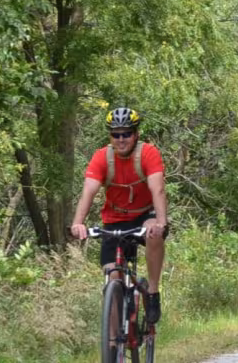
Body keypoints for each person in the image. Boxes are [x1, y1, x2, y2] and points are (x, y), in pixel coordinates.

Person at [69, 107, 170, 325]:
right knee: (112, 278)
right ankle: (114, 339)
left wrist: (161, 222)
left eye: (126, 134)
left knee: (154, 233)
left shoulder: (148, 153)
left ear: (136, 134)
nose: (121, 139)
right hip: (115, 219)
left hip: (145, 214)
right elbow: (88, 191)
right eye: (116, 134)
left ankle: (153, 292)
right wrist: (78, 223)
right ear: (110, 136)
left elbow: (158, 190)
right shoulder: (102, 157)